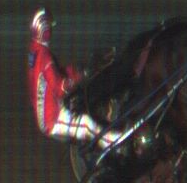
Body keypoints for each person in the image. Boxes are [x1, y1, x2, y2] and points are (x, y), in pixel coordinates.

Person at [27, 8, 121, 148]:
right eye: (50, 28)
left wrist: (77, 69)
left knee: (80, 99)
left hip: (46, 110)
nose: (52, 31)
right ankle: (116, 143)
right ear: (45, 30)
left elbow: (54, 74)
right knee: (86, 124)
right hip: (52, 118)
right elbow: (60, 88)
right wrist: (81, 75)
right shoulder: (45, 57)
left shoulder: (35, 50)